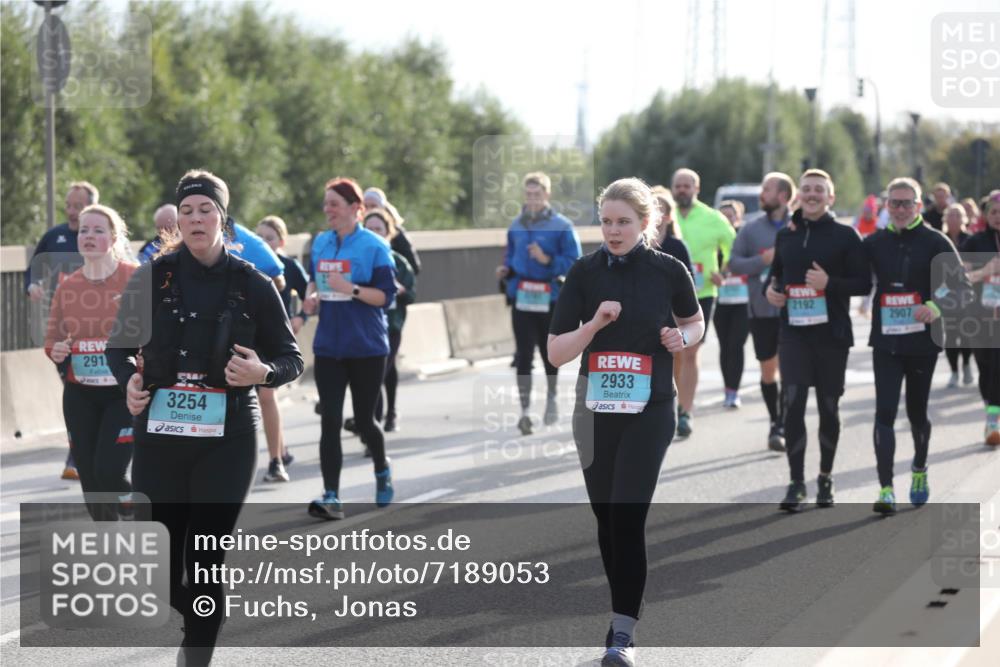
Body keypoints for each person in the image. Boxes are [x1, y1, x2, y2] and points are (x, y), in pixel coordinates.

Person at [106, 169, 303, 663]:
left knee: (207, 556)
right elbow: (119, 348)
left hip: (227, 439)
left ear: (222, 217)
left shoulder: (253, 283)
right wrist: (129, 379)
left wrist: (261, 371)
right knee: (163, 563)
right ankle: (199, 622)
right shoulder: (152, 277)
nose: (196, 219)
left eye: (206, 210)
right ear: (178, 219)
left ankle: (196, 651)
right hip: (160, 435)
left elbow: (290, 359)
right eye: (188, 211)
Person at [548, 177, 703, 667]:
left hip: (651, 407)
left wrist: (684, 339)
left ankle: (622, 634)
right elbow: (555, 353)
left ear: (645, 223)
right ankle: (623, 615)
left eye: (624, 222)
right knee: (606, 520)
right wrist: (593, 325)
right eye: (607, 221)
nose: (613, 231)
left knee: (627, 515)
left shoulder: (668, 270)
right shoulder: (583, 273)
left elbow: (694, 321)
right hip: (593, 411)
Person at [766, 169, 871, 512]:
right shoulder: (787, 236)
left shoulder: (846, 236)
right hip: (793, 332)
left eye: (819, 190)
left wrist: (829, 284)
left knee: (828, 407)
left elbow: (863, 285)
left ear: (831, 197)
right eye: (807, 189)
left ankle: (825, 477)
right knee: (793, 403)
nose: (812, 194)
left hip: (832, 334)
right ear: (799, 195)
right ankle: (796, 483)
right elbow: (776, 277)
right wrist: (772, 292)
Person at [864, 178, 970, 514]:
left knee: (916, 413)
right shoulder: (875, 242)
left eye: (906, 203)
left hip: (922, 343)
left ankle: (920, 470)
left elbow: (962, 289)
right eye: (893, 203)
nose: (899, 209)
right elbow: (850, 274)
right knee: (884, 413)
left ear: (919, 205)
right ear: (886, 206)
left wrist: (935, 307)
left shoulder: (935, 241)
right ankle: (885, 488)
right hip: (885, 342)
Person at [302, 178, 397, 520]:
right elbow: (316, 279)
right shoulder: (322, 243)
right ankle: (331, 496)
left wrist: (351, 288)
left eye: (334, 204)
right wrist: (312, 297)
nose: (327, 210)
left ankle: (382, 467)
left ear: (356, 209)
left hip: (367, 346)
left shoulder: (374, 246)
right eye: (325, 204)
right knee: (329, 420)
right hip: (329, 345)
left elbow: (385, 297)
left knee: (365, 420)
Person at [44, 204, 137, 521]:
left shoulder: (134, 278)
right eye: (84, 230)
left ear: (113, 237)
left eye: (98, 230)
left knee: (108, 471)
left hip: (122, 392)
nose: (89, 236)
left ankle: (130, 499)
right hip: (80, 392)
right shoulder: (68, 285)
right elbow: (52, 338)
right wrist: (56, 350)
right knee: (91, 479)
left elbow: (155, 333)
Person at [495, 172, 582, 435]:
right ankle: (524, 412)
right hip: (522, 297)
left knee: (549, 354)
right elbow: (509, 256)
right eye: (528, 194)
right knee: (523, 355)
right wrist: (505, 270)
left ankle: (552, 398)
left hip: (550, 298)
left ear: (547, 195)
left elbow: (574, 262)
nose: (532, 199)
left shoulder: (562, 226)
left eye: (537, 194)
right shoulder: (516, 226)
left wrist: (547, 261)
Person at [26, 181, 99, 481]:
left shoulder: (104, 239)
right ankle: (80, 453)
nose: (71, 212)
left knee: (93, 391)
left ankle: (85, 453)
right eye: (68, 205)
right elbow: (34, 267)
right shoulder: (54, 236)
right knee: (74, 387)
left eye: (78, 206)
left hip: (98, 330)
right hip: (64, 329)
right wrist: (33, 284)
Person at [728, 172, 796, 451]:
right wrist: (762, 260)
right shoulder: (751, 229)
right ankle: (775, 418)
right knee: (769, 369)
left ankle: (782, 425)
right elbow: (734, 263)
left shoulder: (800, 226)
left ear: (782, 196)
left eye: (767, 189)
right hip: (761, 309)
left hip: (796, 311)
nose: (761, 194)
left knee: (791, 368)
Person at [672, 167, 736, 437]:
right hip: (668, 294)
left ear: (697, 189)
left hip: (703, 293)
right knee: (671, 352)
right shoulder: (664, 214)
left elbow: (735, 246)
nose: (683, 190)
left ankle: (685, 410)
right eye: (679, 185)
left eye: (688, 185)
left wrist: (724, 272)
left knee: (689, 352)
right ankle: (670, 404)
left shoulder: (713, 218)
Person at [255, 215, 310, 482]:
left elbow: (312, 291)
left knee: (267, 397)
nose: (264, 242)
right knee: (265, 401)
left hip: (276, 340)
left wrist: (301, 317)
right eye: (260, 238)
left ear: (282, 241)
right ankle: (282, 449)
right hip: (250, 338)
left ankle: (276, 462)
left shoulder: (289, 266)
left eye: (270, 238)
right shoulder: (248, 266)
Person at [364, 207, 417, 433]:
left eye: (379, 229)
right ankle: (369, 427)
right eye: (369, 229)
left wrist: (401, 290)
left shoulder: (399, 262)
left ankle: (373, 423)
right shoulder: (359, 261)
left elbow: (412, 295)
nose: (374, 233)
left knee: (379, 374)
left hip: (391, 326)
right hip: (365, 326)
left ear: (389, 232)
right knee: (371, 378)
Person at [960, 192, 1000, 446]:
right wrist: (985, 271)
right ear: (986, 215)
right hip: (980, 315)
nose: (998, 217)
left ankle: (993, 419)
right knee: (985, 368)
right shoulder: (974, 243)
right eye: (994, 212)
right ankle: (991, 410)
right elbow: (957, 278)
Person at [712, 200, 751, 408]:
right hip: (721, 302)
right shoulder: (714, 243)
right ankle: (727, 388)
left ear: (739, 218)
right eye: (723, 216)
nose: (728, 219)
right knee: (725, 347)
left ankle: (734, 392)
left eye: (732, 216)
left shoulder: (745, 240)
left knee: (736, 345)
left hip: (743, 302)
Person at [942, 203, 974, 388]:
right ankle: (954, 371)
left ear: (964, 218)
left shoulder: (970, 240)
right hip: (946, 292)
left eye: (957, 215)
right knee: (951, 334)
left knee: (967, 332)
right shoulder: (940, 239)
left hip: (967, 292)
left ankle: (967, 364)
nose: (954, 218)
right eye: (951, 215)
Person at [364, 187, 421, 275]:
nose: (369, 210)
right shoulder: (358, 231)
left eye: (373, 206)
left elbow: (413, 266)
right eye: (365, 206)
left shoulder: (396, 232)